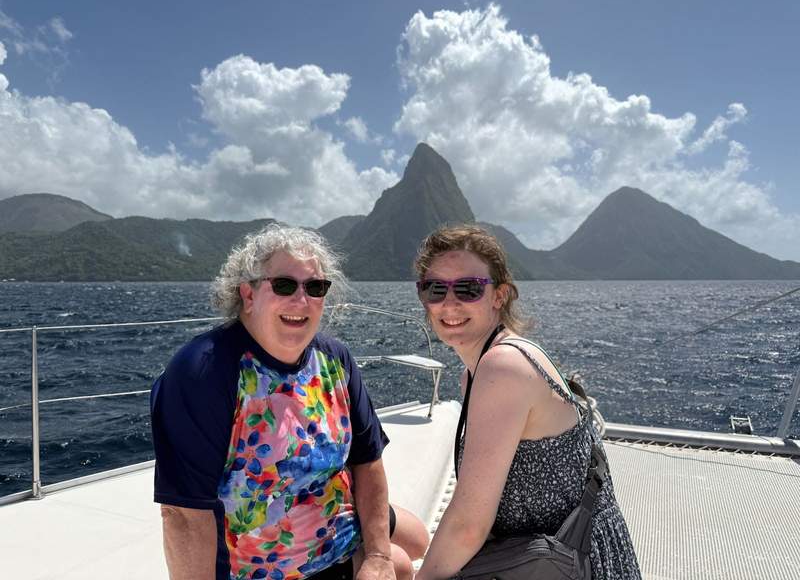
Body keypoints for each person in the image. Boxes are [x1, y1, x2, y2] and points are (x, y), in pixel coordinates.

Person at [151, 224, 428, 580]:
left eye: (315, 287)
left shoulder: (334, 359)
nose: (302, 299)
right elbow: (183, 514)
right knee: (405, 564)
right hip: (263, 566)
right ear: (248, 295)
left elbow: (367, 460)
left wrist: (376, 555)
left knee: (411, 548)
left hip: (335, 523)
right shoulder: (204, 372)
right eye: (284, 285)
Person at [412, 225, 641, 580]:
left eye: (469, 289)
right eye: (435, 288)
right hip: (549, 553)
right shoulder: (478, 370)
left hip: (569, 563)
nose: (449, 303)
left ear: (499, 296)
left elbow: (468, 526)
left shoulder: (502, 367)